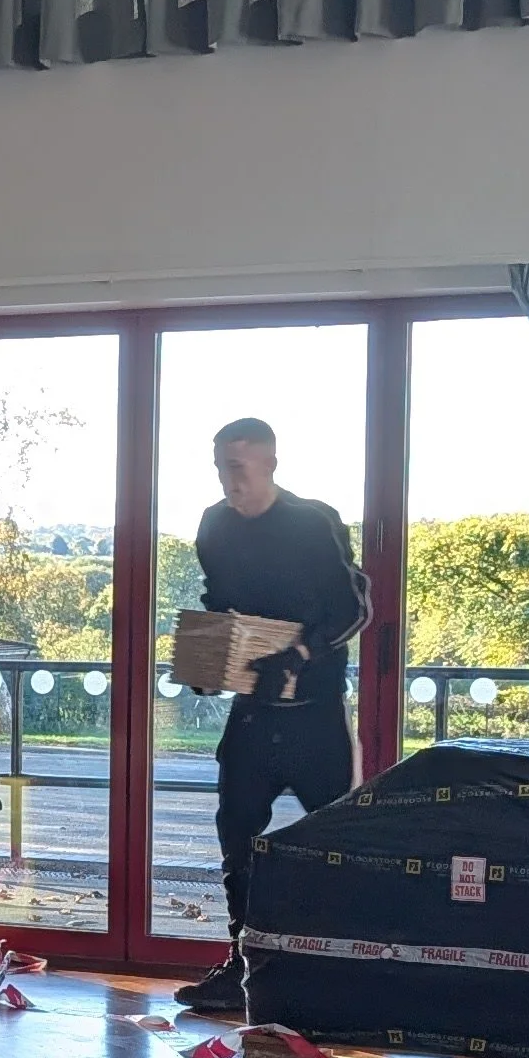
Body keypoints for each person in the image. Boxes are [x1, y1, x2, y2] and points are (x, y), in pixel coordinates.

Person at [174, 416, 370, 1018]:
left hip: (315, 714)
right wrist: (209, 659)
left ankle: (345, 973)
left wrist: (304, 650)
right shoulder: (212, 525)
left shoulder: (314, 522)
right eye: (218, 468)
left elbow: (353, 606)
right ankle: (244, 965)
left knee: (340, 844)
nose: (227, 481)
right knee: (237, 836)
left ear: (270, 466)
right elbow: (218, 604)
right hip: (254, 711)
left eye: (237, 468)